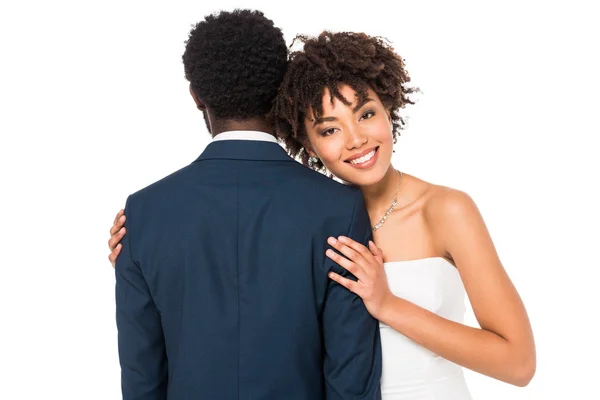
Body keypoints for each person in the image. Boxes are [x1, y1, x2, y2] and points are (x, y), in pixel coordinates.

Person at [109, 29, 537, 399]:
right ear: (304, 141)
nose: (355, 140)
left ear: (389, 108)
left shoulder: (447, 209)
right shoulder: (323, 214)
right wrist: (144, 258)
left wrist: (387, 304)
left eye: (366, 113)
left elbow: (519, 364)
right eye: (329, 129)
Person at [112, 10, 382, 400]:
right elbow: (351, 376)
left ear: (196, 96)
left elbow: (141, 375)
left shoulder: (142, 214)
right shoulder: (339, 209)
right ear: (281, 89)